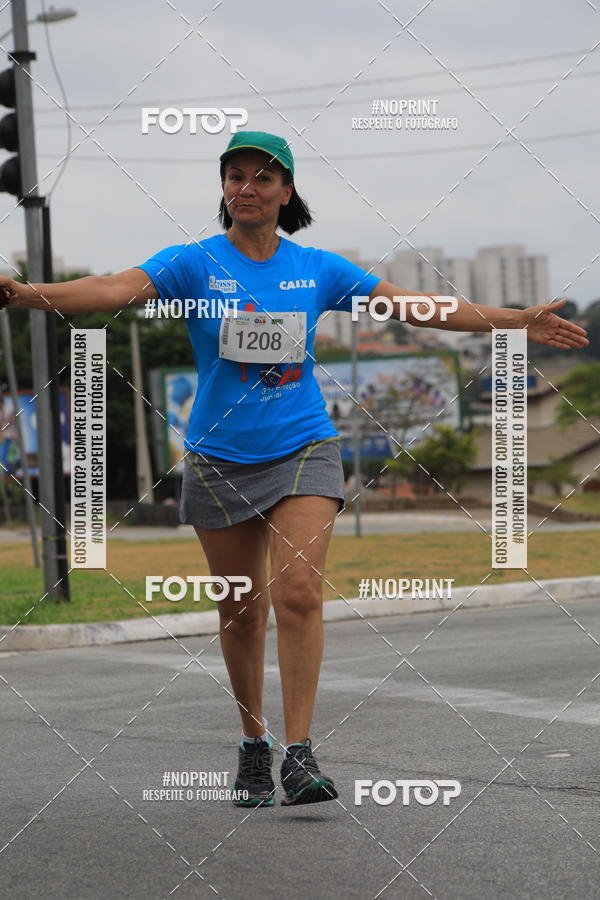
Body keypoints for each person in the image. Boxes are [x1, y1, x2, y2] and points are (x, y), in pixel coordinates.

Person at [0, 130, 588, 809]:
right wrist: (22, 293)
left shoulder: (320, 270)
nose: (247, 188)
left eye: (262, 178)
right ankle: (254, 744)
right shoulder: (192, 264)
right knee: (241, 611)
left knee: (299, 591)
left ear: (286, 192)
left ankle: (300, 754)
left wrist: (513, 320)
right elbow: (109, 289)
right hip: (219, 456)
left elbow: (418, 307)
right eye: (235, 176)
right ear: (223, 188)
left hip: (304, 444)